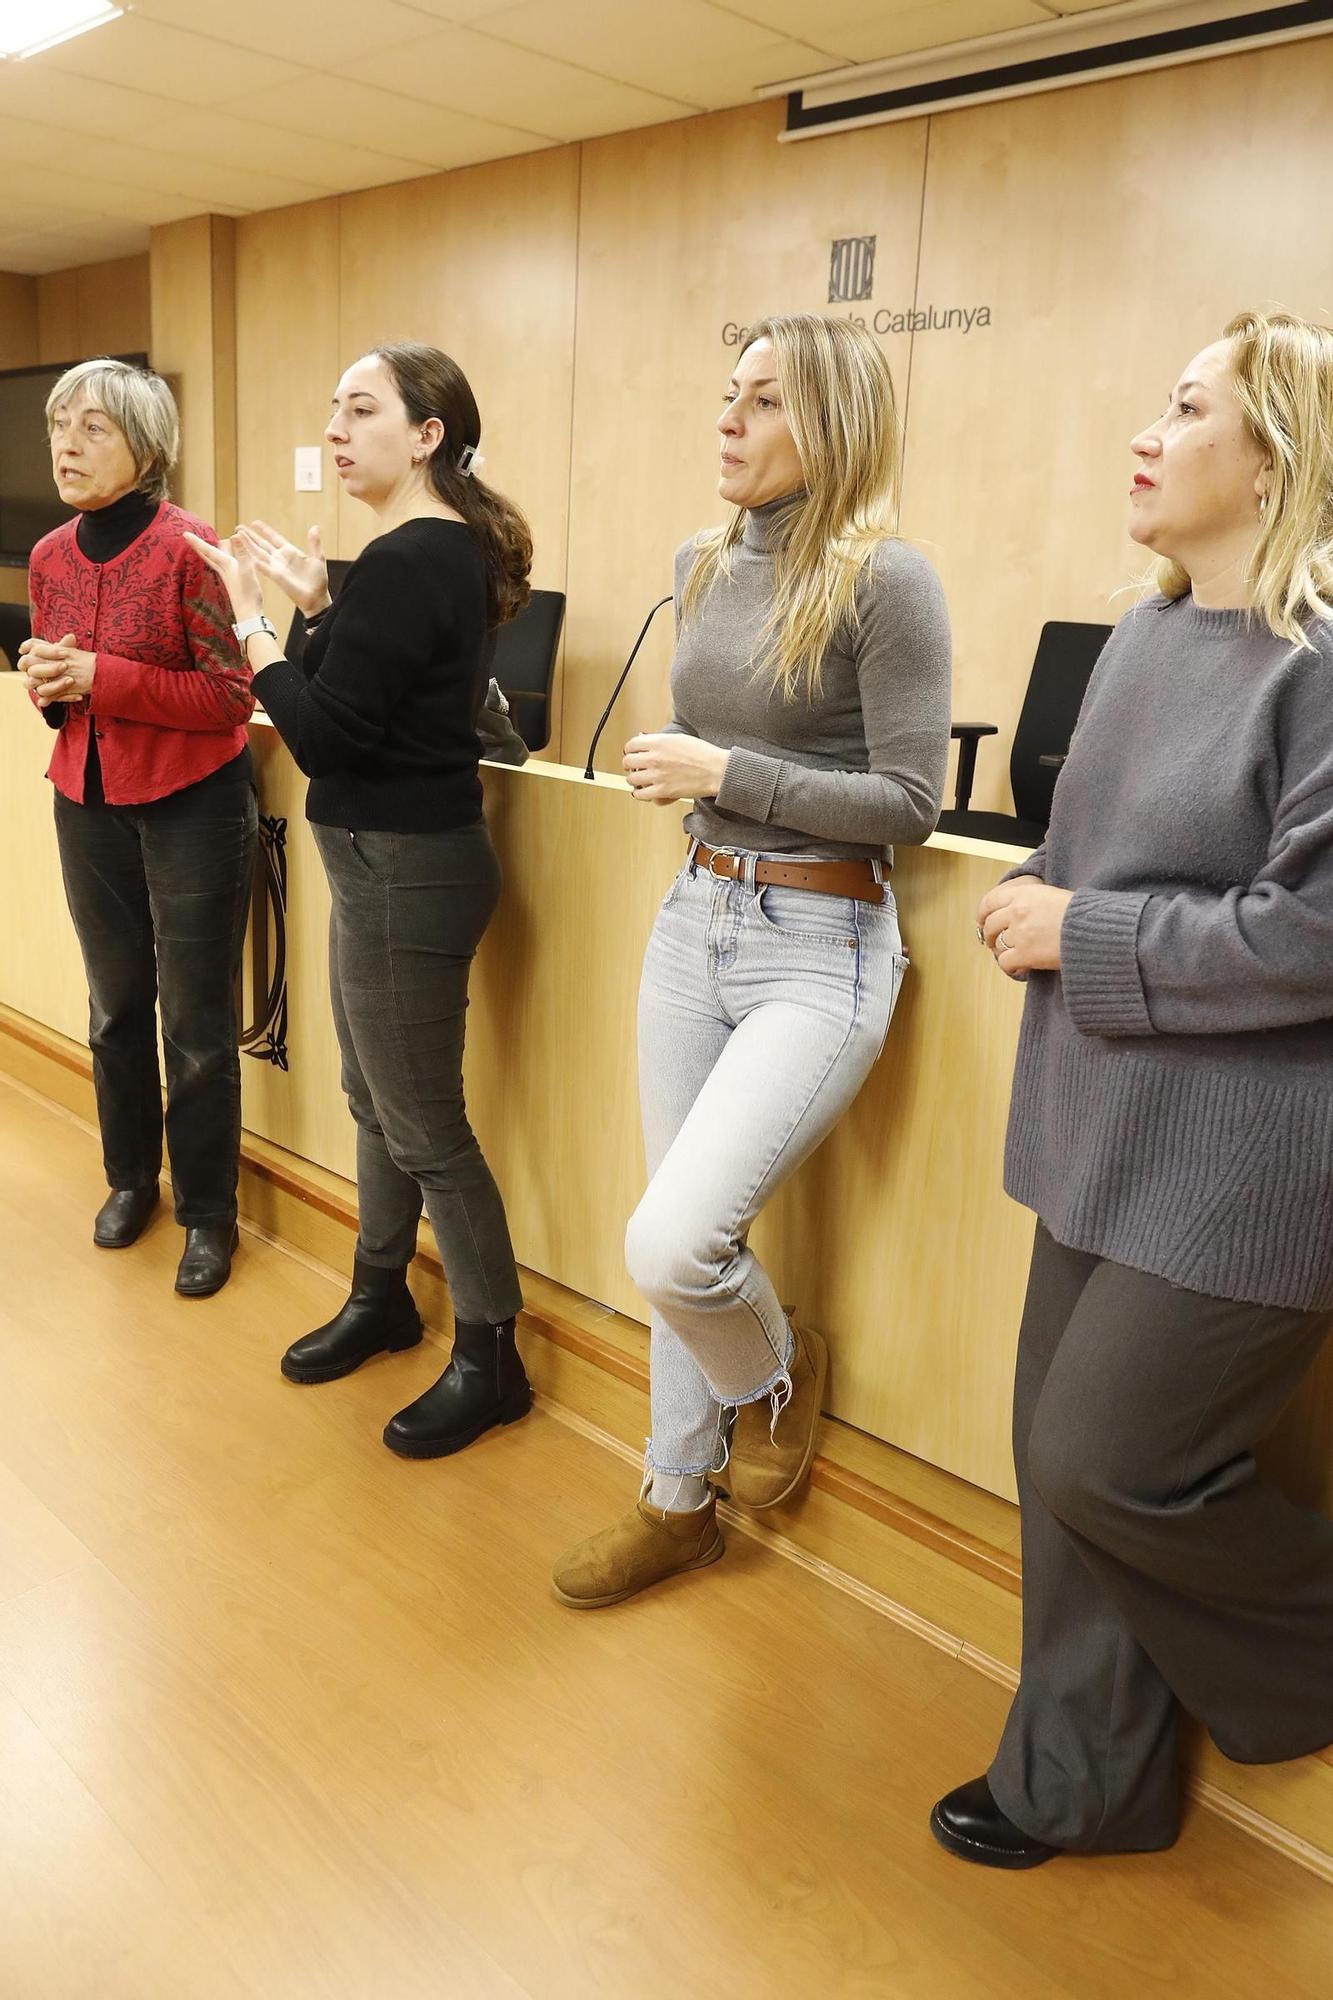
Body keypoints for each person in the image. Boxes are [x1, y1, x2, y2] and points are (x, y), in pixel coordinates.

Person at [931, 310, 1333, 1871]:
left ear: (1276, 456)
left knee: (1112, 1460)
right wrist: (1044, 885)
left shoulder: (1319, 666)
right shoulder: (1147, 637)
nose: (1145, 437)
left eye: (1184, 408)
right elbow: (1109, 850)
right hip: (1102, 1117)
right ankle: (1077, 1783)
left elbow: (1314, 931)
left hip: (1250, 1149)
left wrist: (1081, 928)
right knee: (1059, 1465)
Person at [552, 312, 951, 1608]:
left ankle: (772, 1376)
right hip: (696, 919)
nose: (727, 418)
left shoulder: (890, 582)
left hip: (823, 944)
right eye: (726, 393)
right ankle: (675, 1501)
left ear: (829, 422)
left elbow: (909, 802)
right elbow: (714, 736)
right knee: (671, 1222)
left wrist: (727, 771)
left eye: (763, 401)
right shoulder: (701, 558)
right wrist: (689, 771)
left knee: (673, 1243)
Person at [186, 343, 531, 1459]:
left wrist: (246, 619)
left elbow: (324, 729)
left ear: (428, 434)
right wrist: (318, 598)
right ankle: (382, 1295)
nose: (336, 429)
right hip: (383, 862)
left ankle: (492, 1357)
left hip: (403, 866)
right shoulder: (412, 556)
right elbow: (362, 694)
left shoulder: (417, 554)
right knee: (375, 1101)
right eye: (329, 408)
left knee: (425, 1124)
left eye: (362, 408)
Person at [19, 359, 256, 1297]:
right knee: (114, 1010)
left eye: (91, 430)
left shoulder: (192, 548)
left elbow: (232, 695)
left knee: (195, 1023)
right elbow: (61, 694)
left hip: (193, 800)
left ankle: (209, 1214)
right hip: (86, 799)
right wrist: (52, 684)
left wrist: (99, 677)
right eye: (58, 429)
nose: (66, 447)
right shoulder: (47, 557)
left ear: (145, 447)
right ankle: (131, 1180)